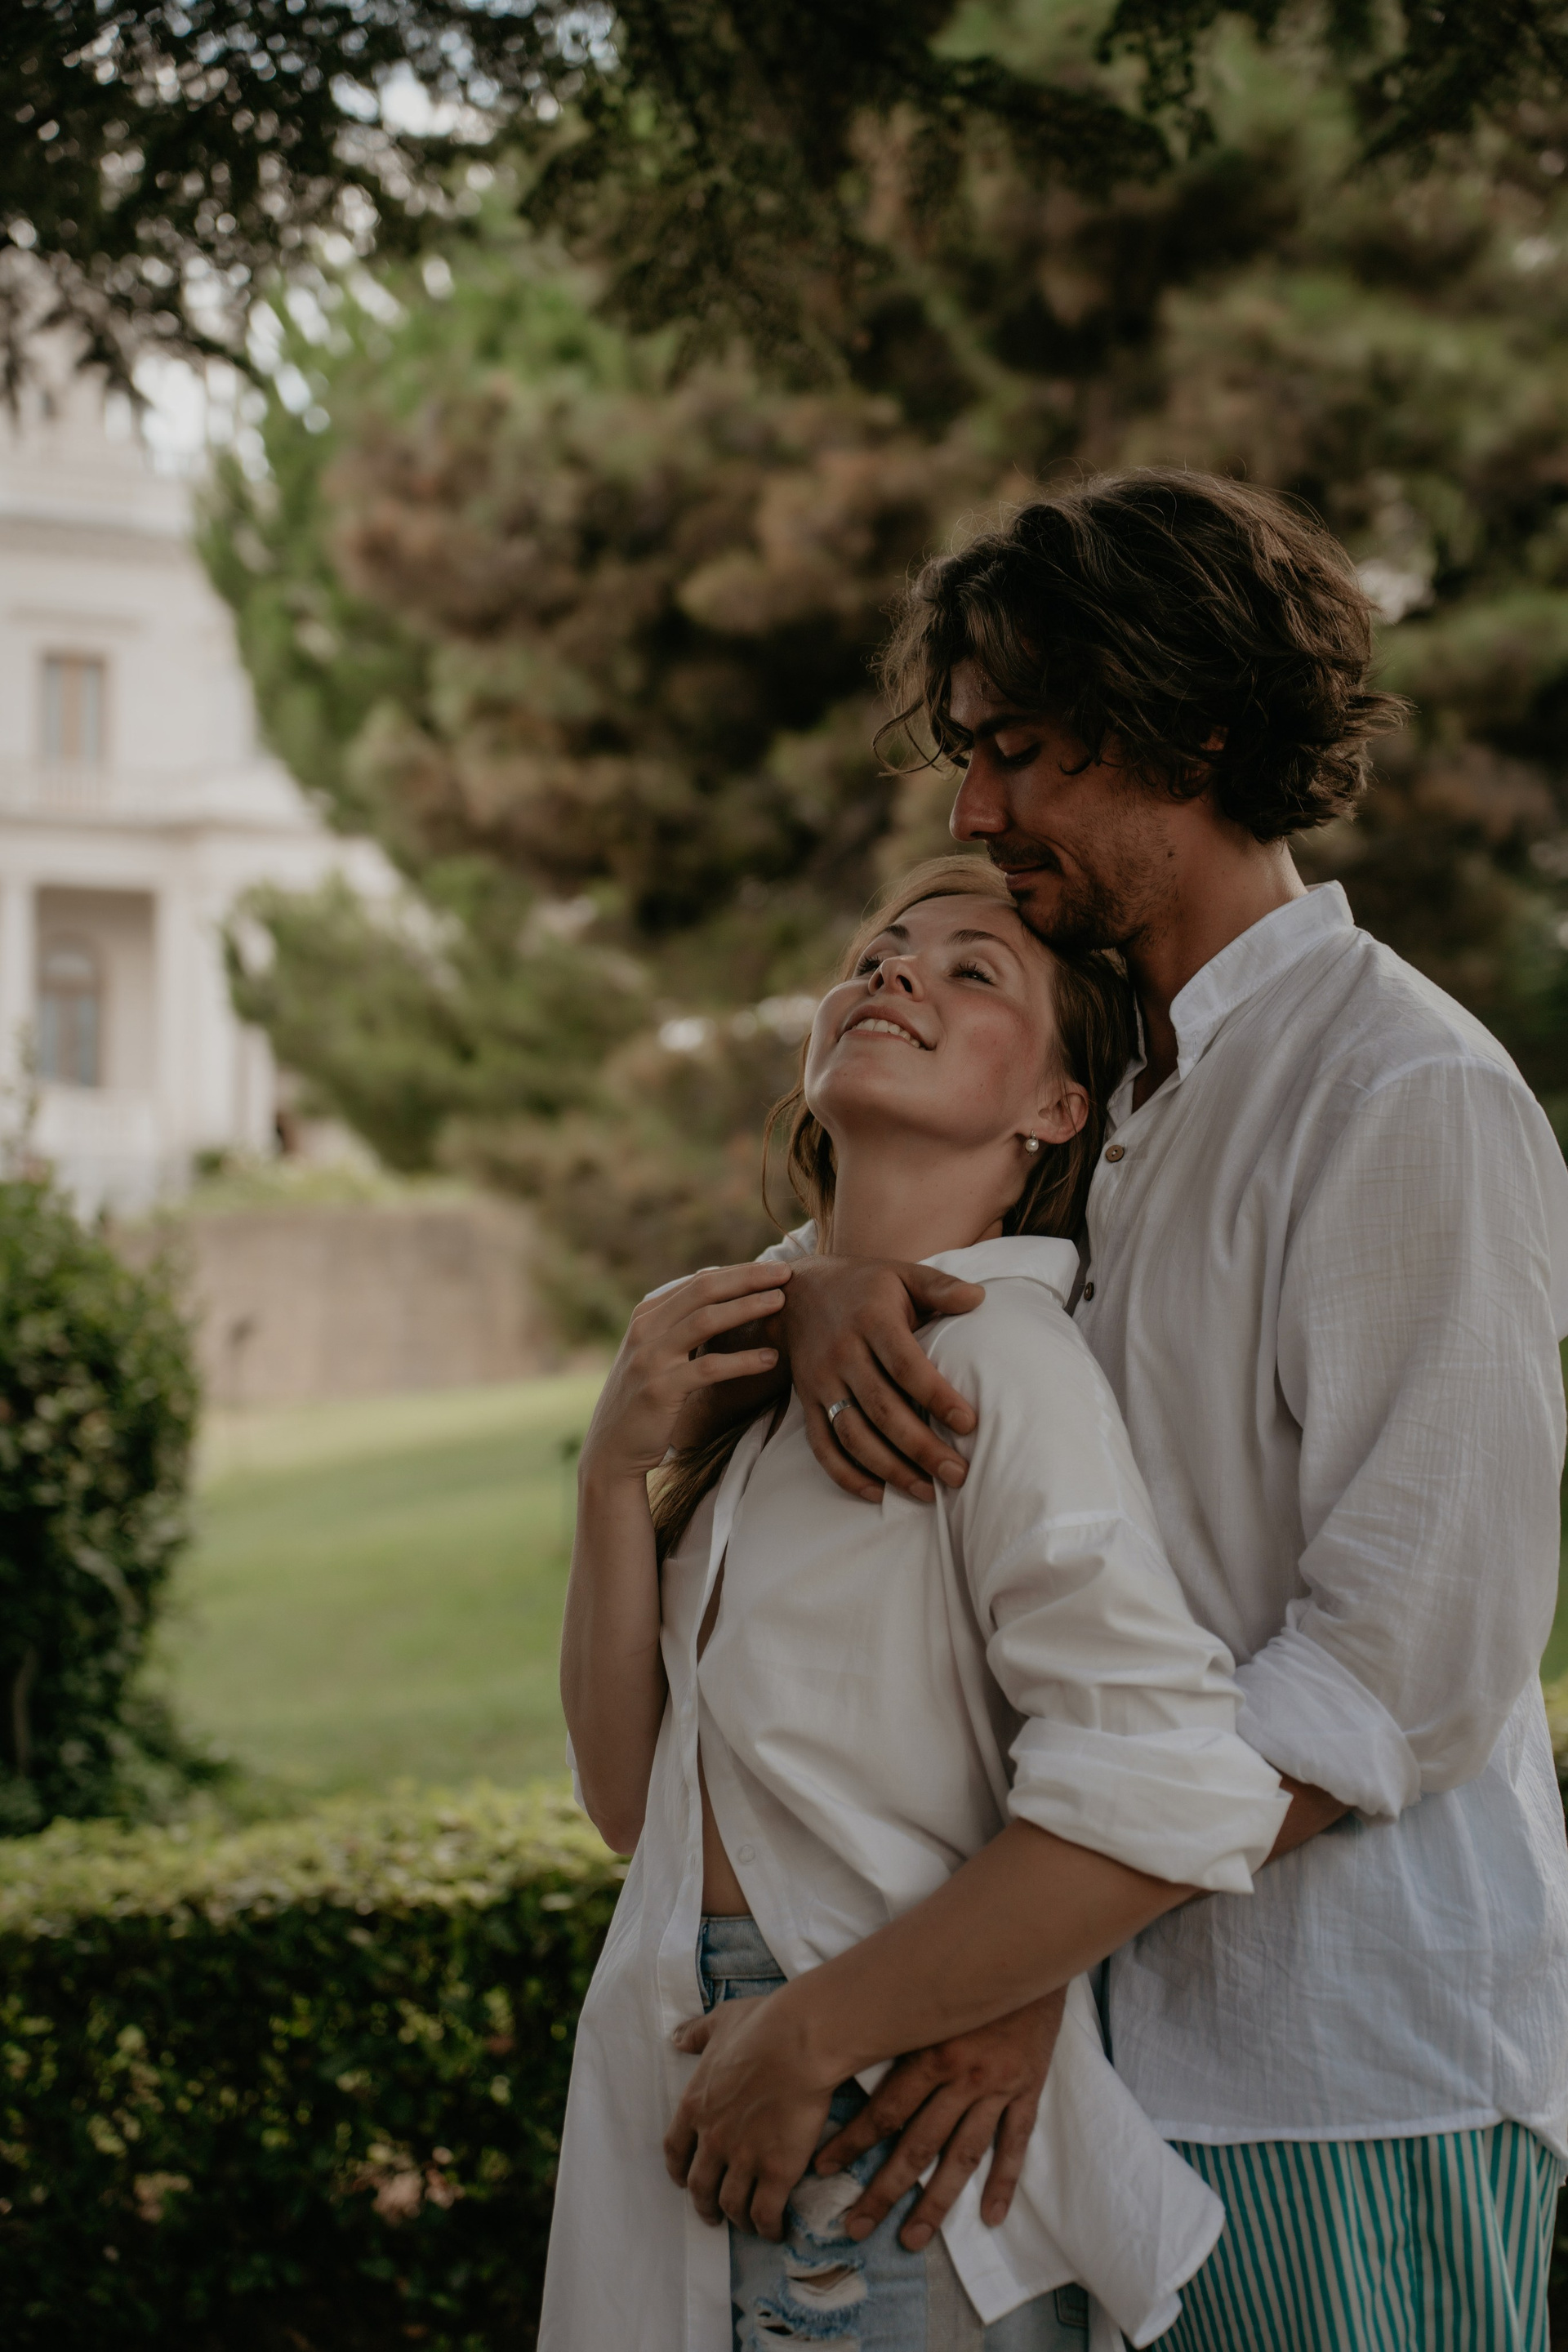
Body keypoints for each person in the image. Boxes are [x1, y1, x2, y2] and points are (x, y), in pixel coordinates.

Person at [669, 471, 1568, 2352]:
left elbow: (1400, 1670)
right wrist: (827, 1283)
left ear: (1196, 731)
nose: (974, 813)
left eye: (1022, 752)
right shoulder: (1131, 1102)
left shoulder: (1402, 1092)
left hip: (1345, 2078)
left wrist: (992, 1967)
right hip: (1109, 2080)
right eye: (970, 755)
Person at [538, 857, 1296, 2352]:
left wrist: (813, 2036)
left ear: (1056, 1110)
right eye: (881, 953)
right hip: (685, 2045)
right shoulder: (759, 1374)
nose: (894, 973)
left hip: (864, 2089)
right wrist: (612, 1475)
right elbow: (630, 1801)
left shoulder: (999, 1366)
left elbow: (1166, 1775)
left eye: (971, 969)